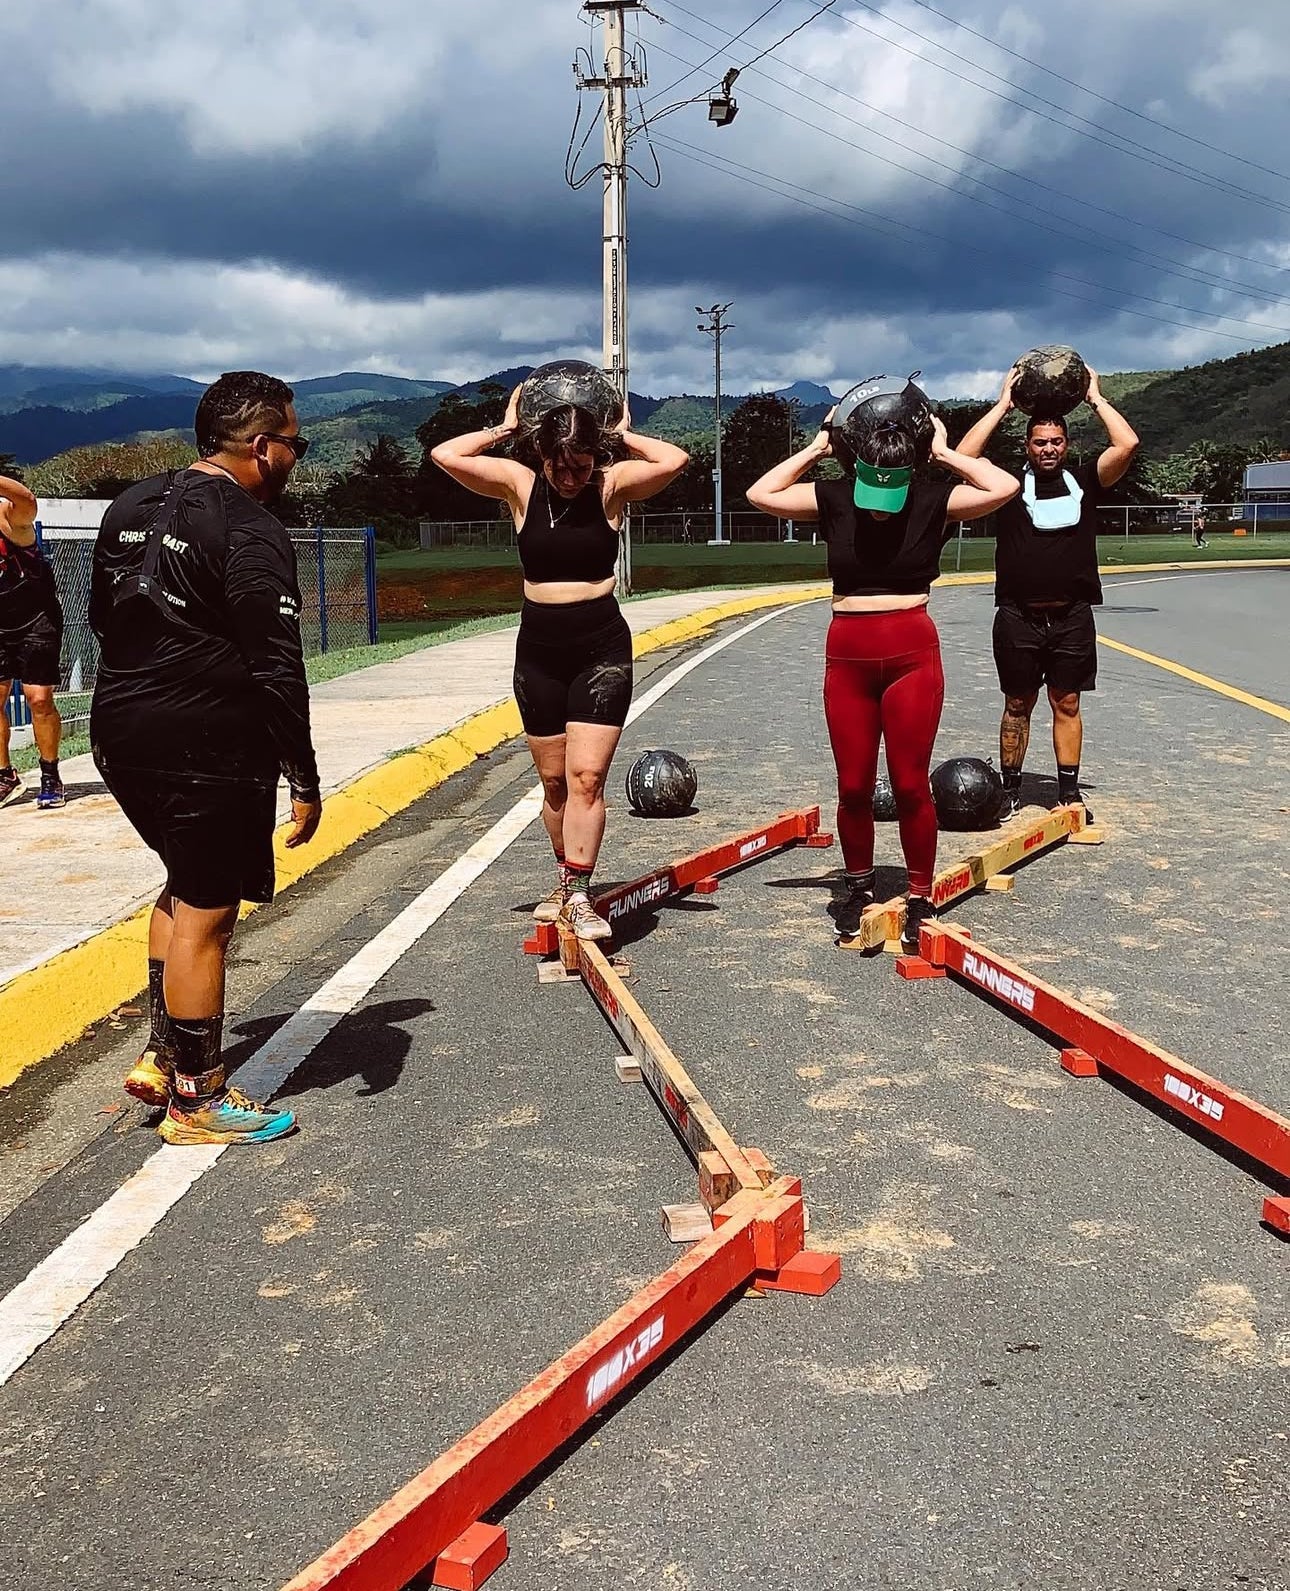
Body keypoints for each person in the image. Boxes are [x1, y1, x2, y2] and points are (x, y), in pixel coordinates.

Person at [89, 371, 323, 1145]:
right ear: (262, 446)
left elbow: (102, 619)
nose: (296, 456)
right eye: (295, 442)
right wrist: (303, 776)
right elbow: (277, 664)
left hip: (120, 733)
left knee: (183, 885)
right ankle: (197, 1099)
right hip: (204, 742)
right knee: (210, 911)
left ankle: (164, 1053)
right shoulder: (251, 527)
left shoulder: (128, 506)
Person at [747, 396, 1018, 949]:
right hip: (847, 655)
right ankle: (859, 885)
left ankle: (921, 893)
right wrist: (819, 447)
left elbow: (1003, 487)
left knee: (911, 784)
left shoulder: (933, 496)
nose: (880, 506)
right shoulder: (834, 495)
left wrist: (943, 452)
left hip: (911, 654)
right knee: (852, 786)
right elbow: (760, 493)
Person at [432, 387, 688, 939]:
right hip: (540, 654)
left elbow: (675, 460)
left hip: (601, 649)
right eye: (560, 466)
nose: (570, 478)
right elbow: (446, 455)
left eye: (581, 465)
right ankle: (562, 875)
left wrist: (616, 437)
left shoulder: (612, 486)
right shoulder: (521, 487)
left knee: (587, 777)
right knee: (553, 782)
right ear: (540, 456)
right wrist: (506, 428)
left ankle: (578, 893)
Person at [957, 365, 1139, 821]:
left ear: (1067, 445)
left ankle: (1069, 792)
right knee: (1017, 704)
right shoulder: (1008, 487)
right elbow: (963, 454)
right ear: (1028, 446)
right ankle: (1011, 790)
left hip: (1072, 616)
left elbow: (1127, 444)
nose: (1049, 448)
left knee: (1068, 702)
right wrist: (1003, 405)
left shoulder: (1087, 482)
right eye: (1040, 442)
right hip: (1018, 616)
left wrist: (1094, 397)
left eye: (1056, 441)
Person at [0, 472, 66, 810]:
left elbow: (27, 500)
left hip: (35, 619)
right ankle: (4, 775)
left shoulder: (8, 518)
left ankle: (50, 773)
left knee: (38, 699)